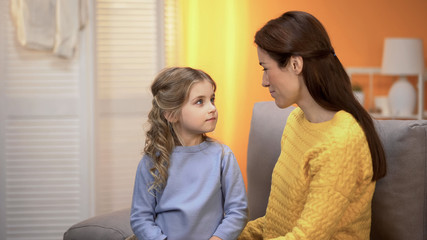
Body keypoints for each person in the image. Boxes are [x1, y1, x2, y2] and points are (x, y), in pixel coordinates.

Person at [238, 11, 387, 240]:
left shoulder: (342, 141)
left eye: (266, 68)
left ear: (296, 64)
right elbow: (279, 221)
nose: (264, 81)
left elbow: (307, 236)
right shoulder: (296, 122)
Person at [130, 67, 248, 240]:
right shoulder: (152, 162)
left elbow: (238, 210)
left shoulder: (223, 156)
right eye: (200, 102)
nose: (212, 108)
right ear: (171, 114)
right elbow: (141, 218)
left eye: (212, 99)